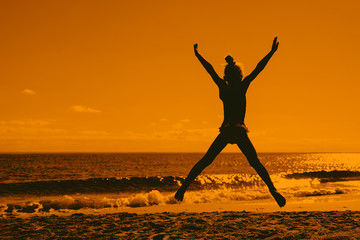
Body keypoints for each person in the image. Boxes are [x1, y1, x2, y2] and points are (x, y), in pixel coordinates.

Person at [175, 37, 286, 207]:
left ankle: (183, 188)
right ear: (240, 75)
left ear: (226, 76)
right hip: (239, 131)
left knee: (206, 160)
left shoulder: (223, 86)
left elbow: (210, 70)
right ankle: (273, 189)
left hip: (227, 131)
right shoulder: (243, 85)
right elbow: (259, 68)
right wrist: (271, 52)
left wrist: (198, 56)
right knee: (255, 162)